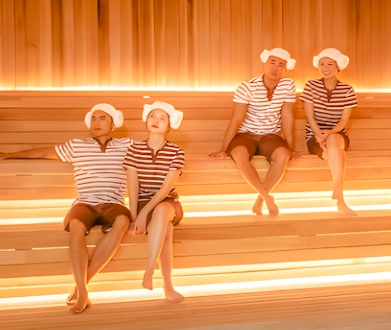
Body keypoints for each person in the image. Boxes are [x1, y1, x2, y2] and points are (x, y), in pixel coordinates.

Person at [0, 103, 131, 314]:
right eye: (93, 118)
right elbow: (43, 153)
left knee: (123, 221)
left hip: (113, 204)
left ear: (114, 122)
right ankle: (83, 292)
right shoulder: (77, 145)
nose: (97, 123)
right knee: (75, 226)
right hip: (85, 203)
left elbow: (152, 156)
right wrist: (9, 155)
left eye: (103, 118)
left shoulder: (127, 145)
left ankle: (80, 286)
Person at [209, 47, 298, 218]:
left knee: (283, 156)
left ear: (285, 68)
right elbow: (236, 119)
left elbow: (287, 116)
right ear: (265, 63)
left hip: (270, 136)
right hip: (246, 135)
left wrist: (290, 147)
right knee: (239, 153)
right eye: (272, 62)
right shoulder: (247, 87)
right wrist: (223, 149)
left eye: (281, 65)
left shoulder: (287, 85)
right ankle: (267, 198)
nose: (275, 68)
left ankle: (259, 200)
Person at [124, 100, 187, 304]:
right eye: (152, 116)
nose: (156, 121)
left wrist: (143, 215)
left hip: (168, 202)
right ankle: (168, 287)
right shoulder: (134, 150)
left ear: (169, 125)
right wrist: (134, 216)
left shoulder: (176, 152)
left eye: (162, 118)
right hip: (142, 202)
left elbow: (165, 190)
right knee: (166, 232)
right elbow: (132, 187)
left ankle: (149, 270)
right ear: (146, 120)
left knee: (161, 211)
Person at [302, 47, 359, 216]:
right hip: (314, 134)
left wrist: (328, 133)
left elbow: (343, 121)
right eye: (322, 64)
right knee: (339, 154)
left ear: (338, 66)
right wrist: (319, 135)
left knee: (334, 143)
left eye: (330, 63)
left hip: (338, 133)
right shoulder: (311, 86)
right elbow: (309, 116)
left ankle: (338, 191)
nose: (325, 67)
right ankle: (340, 199)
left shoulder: (347, 90)